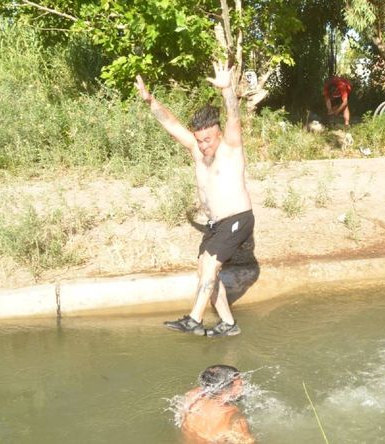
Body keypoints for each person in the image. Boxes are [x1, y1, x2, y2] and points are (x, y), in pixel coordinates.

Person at [135, 60, 254, 337]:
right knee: (206, 272)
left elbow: (234, 117)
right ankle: (228, 324)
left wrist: (226, 90)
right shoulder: (196, 149)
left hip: (237, 218)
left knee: (210, 265)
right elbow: (171, 123)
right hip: (216, 225)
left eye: (208, 139)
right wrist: (150, 101)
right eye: (199, 140)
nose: (203, 145)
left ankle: (194, 319)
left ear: (218, 133)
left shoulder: (231, 147)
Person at [179, 364, 255, 443]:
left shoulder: (193, 396)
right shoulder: (231, 413)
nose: (244, 385)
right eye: (240, 383)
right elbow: (248, 441)